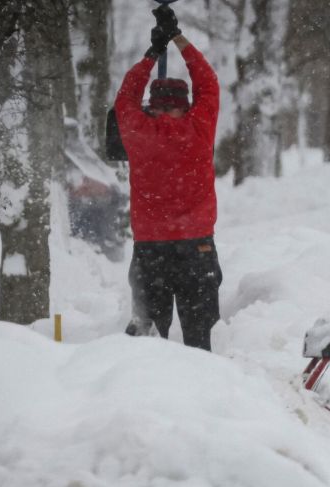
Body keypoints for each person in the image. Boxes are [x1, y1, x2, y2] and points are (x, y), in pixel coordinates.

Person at [115, 6, 222, 351]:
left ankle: (149, 393)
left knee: (148, 342)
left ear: (153, 105)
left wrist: (151, 53)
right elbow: (208, 83)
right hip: (197, 245)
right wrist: (177, 38)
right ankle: (203, 386)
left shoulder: (137, 130)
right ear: (186, 105)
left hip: (150, 248)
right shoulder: (199, 127)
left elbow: (125, 97)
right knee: (199, 336)